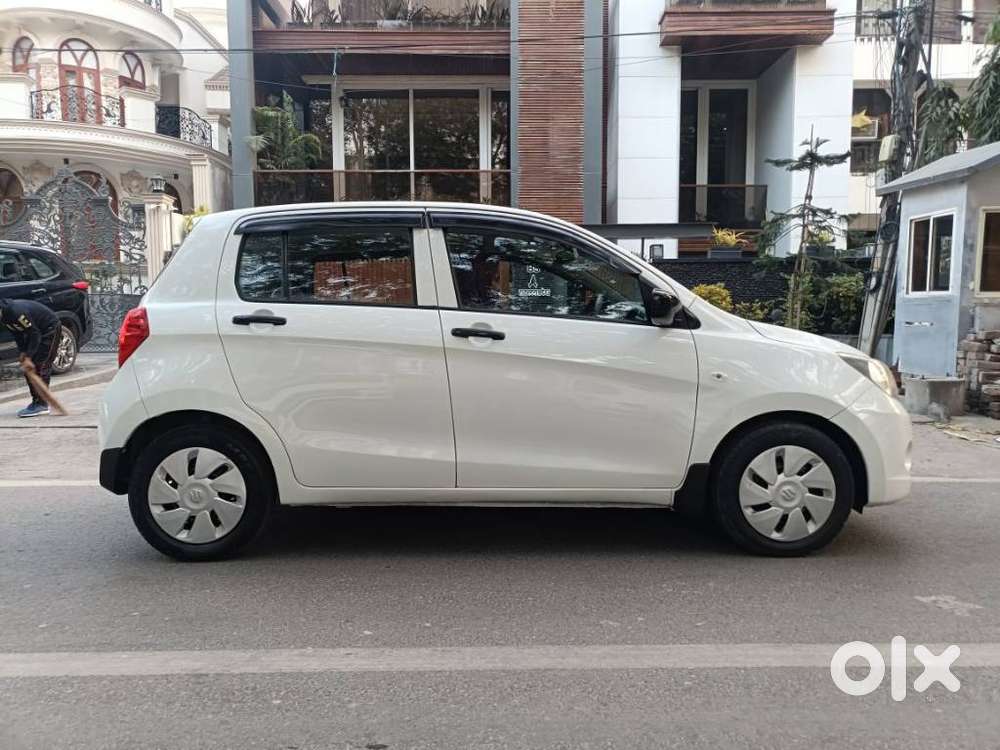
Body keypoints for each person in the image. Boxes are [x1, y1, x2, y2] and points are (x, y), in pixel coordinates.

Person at [0, 297, 61, 417]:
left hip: (49, 329)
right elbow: (17, 333)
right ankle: (36, 402)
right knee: (28, 369)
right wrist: (23, 352)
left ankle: (42, 404)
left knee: (41, 365)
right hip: (34, 333)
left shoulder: (15, 311)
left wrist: (28, 357)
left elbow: (35, 333)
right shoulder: (4, 317)